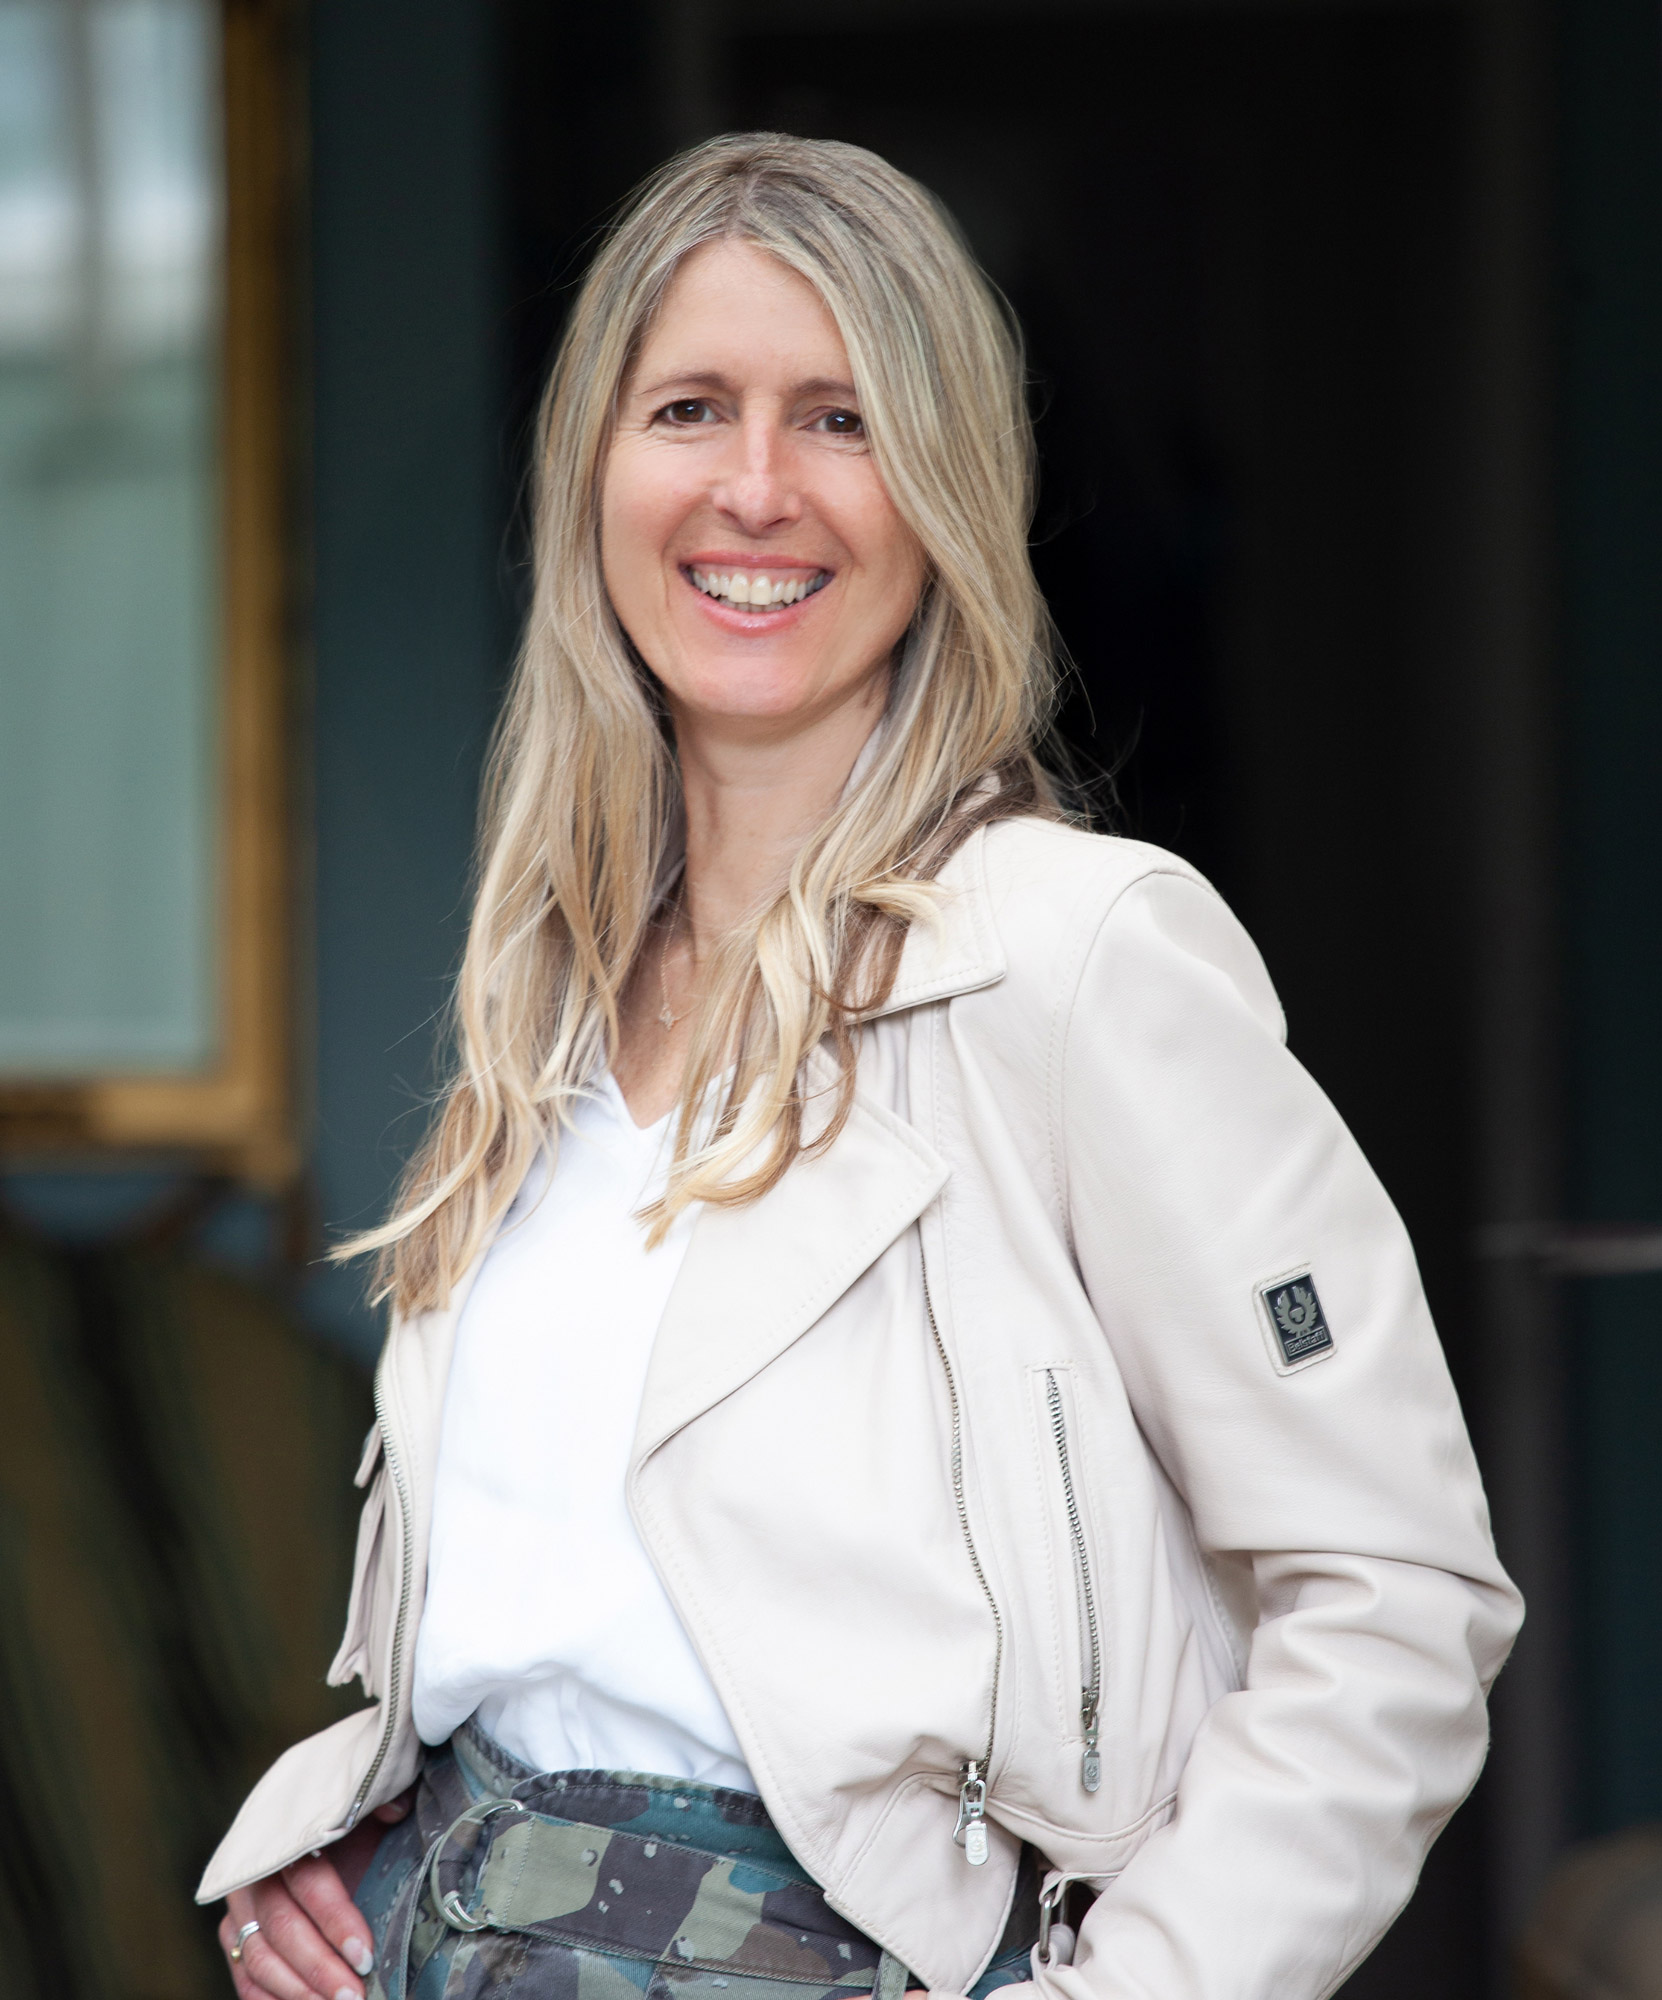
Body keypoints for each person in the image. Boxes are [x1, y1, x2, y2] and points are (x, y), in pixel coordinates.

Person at [204, 132, 1522, 2000]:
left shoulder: (1074, 957)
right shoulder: (551, 995)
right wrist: (342, 1846)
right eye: (690, 408)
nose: (756, 489)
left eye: (838, 418)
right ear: (595, 469)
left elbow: (1395, 1598)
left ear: (945, 491)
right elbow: (585, 1616)